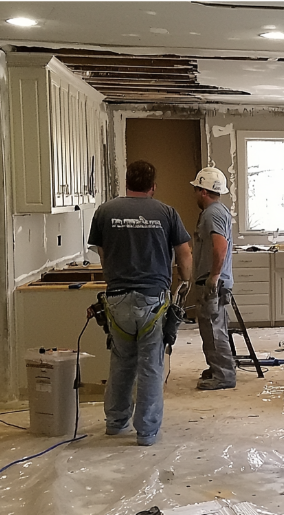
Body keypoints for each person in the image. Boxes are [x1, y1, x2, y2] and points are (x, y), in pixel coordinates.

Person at [88, 160, 192, 446]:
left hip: (117, 298)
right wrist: (185, 280)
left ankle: (115, 422)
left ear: (127, 183)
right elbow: (184, 253)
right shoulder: (166, 212)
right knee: (151, 365)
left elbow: (102, 251)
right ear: (153, 187)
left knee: (121, 361)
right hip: (153, 299)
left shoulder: (105, 211)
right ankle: (146, 432)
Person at [190, 166, 237, 391]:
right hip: (215, 279)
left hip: (213, 281)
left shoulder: (212, 213)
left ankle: (224, 375)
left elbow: (220, 246)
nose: (195, 194)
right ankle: (218, 367)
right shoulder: (218, 211)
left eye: (197, 190)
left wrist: (213, 276)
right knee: (212, 327)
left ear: (203, 191)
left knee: (212, 328)